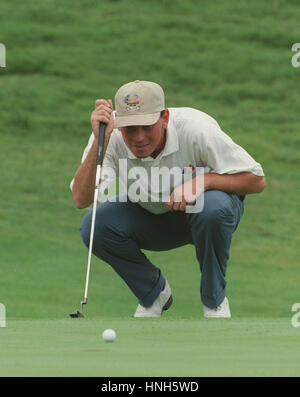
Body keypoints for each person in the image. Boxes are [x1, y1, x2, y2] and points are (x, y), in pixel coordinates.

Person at [70, 80, 266, 318]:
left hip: (204, 215)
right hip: (150, 214)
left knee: (213, 208)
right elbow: (81, 199)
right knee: (94, 225)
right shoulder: (108, 134)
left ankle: (214, 302)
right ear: (119, 124)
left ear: (164, 118)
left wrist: (202, 182)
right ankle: (154, 295)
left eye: (147, 126)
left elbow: (256, 180)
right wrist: (99, 143)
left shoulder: (196, 129)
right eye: (130, 128)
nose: (139, 137)